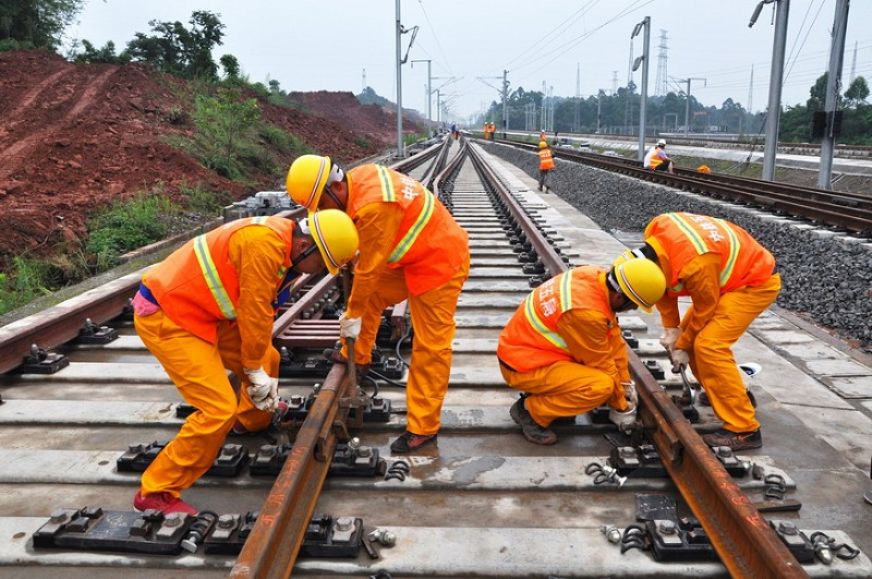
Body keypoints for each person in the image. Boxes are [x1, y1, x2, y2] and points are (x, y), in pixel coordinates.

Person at [130, 210, 359, 515]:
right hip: (170, 316)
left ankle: (250, 420)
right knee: (216, 409)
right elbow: (254, 316)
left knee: (270, 357)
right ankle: (155, 493)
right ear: (306, 245)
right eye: (319, 264)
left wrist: (259, 367)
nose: (315, 271)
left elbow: (263, 316)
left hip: (205, 311)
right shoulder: (262, 248)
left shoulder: (285, 244)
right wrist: (253, 369)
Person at [286, 155, 470, 453]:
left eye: (321, 204)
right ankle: (357, 355)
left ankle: (423, 428)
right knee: (367, 295)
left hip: (439, 259)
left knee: (430, 346)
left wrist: (353, 315)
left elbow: (369, 271)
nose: (320, 211)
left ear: (335, 188)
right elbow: (364, 266)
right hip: (408, 257)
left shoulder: (374, 206)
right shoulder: (357, 179)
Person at [622, 212, 781, 450]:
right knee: (696, 341)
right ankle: (729, 395)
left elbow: (704, 309)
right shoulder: (657, 230)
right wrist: (672, 330)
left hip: (754, 283)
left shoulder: (695, 263)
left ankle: (745, 430)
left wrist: (683, 345)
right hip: (728, 278)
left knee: (708, 346)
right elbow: (663, 289)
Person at [496, 260, 667, 445]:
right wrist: (621, 406)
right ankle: (530, 412)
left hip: (528, 353)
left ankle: (548, 402)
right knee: (601, 386)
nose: (632, 310)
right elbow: (601, 363)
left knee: (607, 381)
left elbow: (613, 339)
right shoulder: (586, 313)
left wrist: (625, 382)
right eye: (633, 305)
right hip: (523, 366)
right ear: (620, 296)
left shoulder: (592, 276)